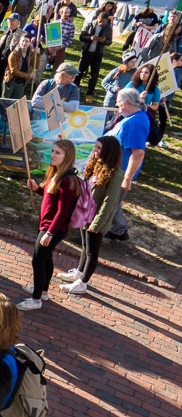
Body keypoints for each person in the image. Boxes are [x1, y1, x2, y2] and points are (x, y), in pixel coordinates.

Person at [56, 137, 124, 295]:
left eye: (99, 148)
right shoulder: (96, 164)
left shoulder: (116, 174)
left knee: (92, 251)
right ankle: (79, 271)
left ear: (108, 151)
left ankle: (83, 283)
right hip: (85, 213)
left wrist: (97, 224)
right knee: (85, 247)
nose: (95, 151)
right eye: (95, 147)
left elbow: (110, 201)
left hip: (96, 219)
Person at [19, 139, 80, 311]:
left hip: (52, 229)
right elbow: (50, 197)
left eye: (58, 153)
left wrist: (49, 233)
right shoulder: (57, 173)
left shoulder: (67, 180)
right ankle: (43, 291)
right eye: (53, 151)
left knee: (38, 261)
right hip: (47, 226)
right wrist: (37, 188)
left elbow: (62, 211)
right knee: (46, 259)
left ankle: (36, 299)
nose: (52, 155)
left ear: (67, 156)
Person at [104, 88, 150, 241]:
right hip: (114, 168)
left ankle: (96, 233)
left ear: (128, 103)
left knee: (107, 202)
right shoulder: (134, 116)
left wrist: (127, 179)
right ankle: (118, 230)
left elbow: (138, 154)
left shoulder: (134, 123)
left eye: (119, 103)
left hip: (119, 172)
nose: (117, 106)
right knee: (114, 201)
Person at [76, 12, 113, 102]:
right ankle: (74, 90)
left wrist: (104, 41)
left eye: (104, 22)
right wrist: (90, 38)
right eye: (100, 21)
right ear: (97, 17)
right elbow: (81, 37)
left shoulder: (108, 28)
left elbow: (109, 41)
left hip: (98, 53)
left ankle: (90, 93)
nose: (101, 23)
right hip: (86, 52)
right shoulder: (89, 24)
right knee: (79, 72)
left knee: (94, 75)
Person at [0, 14, 25, 97]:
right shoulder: (6, 31)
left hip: (9, 63)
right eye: (9, 20)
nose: (10, 22)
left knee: (5, 85)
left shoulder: (22, 34)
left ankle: (2, 105)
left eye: (13, 20)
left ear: (18, 22)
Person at [3, 34, 38, 100]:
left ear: (30, 43)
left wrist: (37, 55)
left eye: (27, 41)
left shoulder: (31, 54)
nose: (24, 43)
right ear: (19, 42)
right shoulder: (13, 54)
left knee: (15, 103)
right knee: (5, 102)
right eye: (23, 41)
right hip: (11, 81)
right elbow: (14, 71)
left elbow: (36, 65)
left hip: (21, 83)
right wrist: (28, 76)